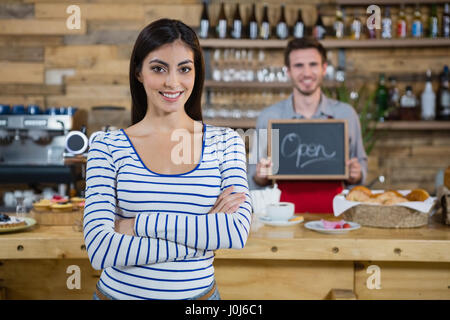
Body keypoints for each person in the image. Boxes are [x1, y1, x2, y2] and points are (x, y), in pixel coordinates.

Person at [84, 19, 252, 300]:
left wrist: (135, 225)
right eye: (158, 68)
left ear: (196, 73)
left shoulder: (226, 143)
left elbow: (234, 233)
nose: (172, 82)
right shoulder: (106, 146)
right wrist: (204, 233)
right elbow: (101, 250)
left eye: (184, 69)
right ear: (139, 72)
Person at [248, 38, 368, 213]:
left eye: (313, 64)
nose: (306, 72)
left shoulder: (346, 114)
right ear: (288, 71)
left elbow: (361, 165)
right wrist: (260, 176)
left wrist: (357, 174)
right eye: (298, 66)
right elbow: (253, 177)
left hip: (336, 216)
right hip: (282, 216)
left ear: (324, 68)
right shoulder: (269, 117)